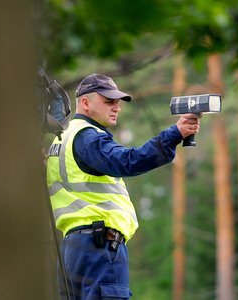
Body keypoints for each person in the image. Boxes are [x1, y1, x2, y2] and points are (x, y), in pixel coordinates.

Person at [46, 73, 201, 300]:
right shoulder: (89, 138)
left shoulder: (61, 140)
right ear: (86, 103)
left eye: (117, 101)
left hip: (72, 250)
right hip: (98, 247)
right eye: (108, 101)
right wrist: (174, 134)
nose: (116, 107)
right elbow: (129, 161)